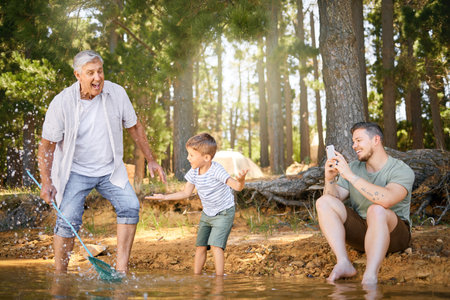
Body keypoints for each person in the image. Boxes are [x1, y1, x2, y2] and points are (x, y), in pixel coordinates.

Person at [37, 50, 166, 274]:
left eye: (100, 71)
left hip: (109, 170)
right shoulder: (62, 102)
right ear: (77, 75)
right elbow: (46, 145)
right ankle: (60, 277)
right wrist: (46, 181)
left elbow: (134, 127)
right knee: (68, 219)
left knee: (130, 206)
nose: (97, 78)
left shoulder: (117, 93)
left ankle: (121, 270)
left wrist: (151, 160)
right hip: (75, 171)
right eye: (90, 73)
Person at [316, 122, 414, 285]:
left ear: (376, 140)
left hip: (394, 235)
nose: (354, 146)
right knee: (324, 201)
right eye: (353, 142)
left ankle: (370, 276)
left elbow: (387, 199)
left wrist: (351, 176)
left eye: (359, 140)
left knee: (376, 210)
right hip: (362, 234)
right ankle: (343, 262)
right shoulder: (354, 167)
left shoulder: (400, 170)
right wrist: (330, 179)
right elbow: (333, 199)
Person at [146, 133, 248, 276]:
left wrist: (241, 179)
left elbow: (237, 187)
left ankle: (219, 280)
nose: (188, 158)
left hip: (224, 212)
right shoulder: (194, 172)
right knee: (200, 246)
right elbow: (185, 193)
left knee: (215, 245)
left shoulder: (216, 170)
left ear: (206, 158)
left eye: (192, 155)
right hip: (207, 213)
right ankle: (196, 278)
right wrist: (164, 197)